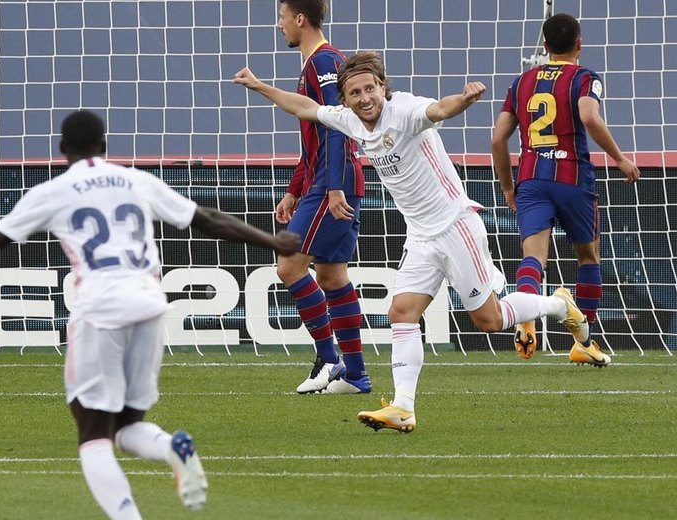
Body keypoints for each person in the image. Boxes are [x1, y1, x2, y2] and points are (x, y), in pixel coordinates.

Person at [0, 110, 301, 518]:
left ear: (62, 150)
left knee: (93, 434)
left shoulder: (55, 191)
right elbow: (207, 220)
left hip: (101, 310)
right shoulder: (136, 180)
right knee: (126, 426)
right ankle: (170, 447)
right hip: (149, 307)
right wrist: (273, 241)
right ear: (105, 146)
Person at [234, 51, 589, 433]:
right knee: (401, 313)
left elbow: (438, 110)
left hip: (456, 226)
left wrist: (463, 100)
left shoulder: (403, 110)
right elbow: (304, 107)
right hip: (420, 235)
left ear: (383, 88)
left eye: (370, 88)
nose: (365, 97)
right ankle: (403, 408)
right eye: (355, 92)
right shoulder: (350, 121)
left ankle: (557, 305)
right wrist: (259, 86)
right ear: (346, 100)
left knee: (489, 319)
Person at [491, 13, 640, 365]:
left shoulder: (522, 82)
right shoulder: (585, 78)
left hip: (531, 179)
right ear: (579, 43)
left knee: (533, 258)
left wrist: (509, 188)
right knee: (588, 257)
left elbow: (498, 138)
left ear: (544, 46)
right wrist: (619, 158)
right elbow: (589, 117)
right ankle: (583, 343)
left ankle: (526, 314)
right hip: (573, 178)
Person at [274, 0, 370, 395]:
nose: (279, 26)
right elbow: (314, 138)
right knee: (331, 275)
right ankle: (356, 376)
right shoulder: (315, 63)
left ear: (299, 19)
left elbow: (336, 129)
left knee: (288, 267)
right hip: (326, 179)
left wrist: (330, 187)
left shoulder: (324, 62)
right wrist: (295, 189)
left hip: (334, 182)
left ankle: (329, 359)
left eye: (281, 18)